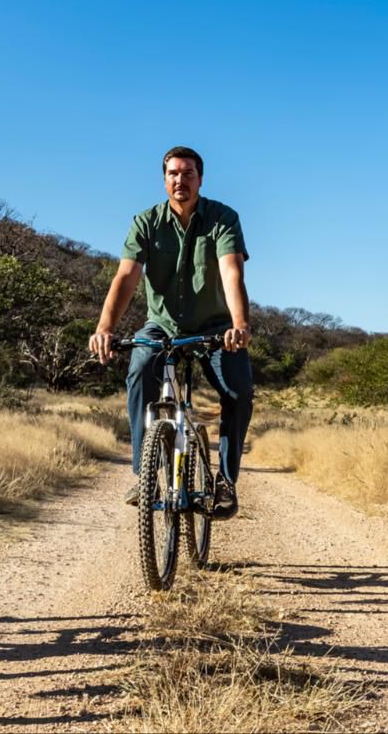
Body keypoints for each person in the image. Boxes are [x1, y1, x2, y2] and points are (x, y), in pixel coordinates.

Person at [89, 146, 253, 518]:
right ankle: (145, 475)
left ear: (200, 178)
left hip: (216, 327)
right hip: (162, 324)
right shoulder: (146, 222)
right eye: (173, 173)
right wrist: (104, 328)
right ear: (164, 179)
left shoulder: (222, 218)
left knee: (238, 391)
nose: (180, 180)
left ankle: (225, 482)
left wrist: (240, 325)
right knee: (139, 365)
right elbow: (127, 277)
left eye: (188, 173)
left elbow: (231, 272)